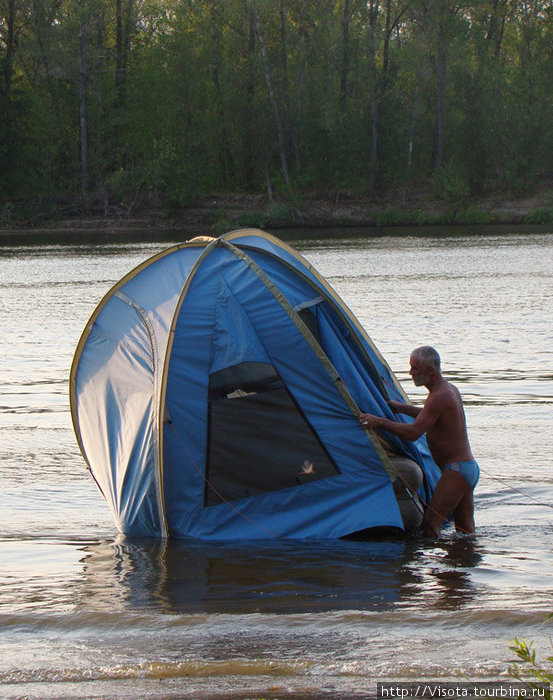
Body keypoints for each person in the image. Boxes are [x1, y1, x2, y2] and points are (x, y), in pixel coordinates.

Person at [359, 346, 479, 538]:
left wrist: (379, 421)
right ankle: (464, 566)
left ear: (430, 370)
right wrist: (401, 408)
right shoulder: (448, 389)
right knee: (466, 532)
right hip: (468, 469)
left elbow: (413, 432)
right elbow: (430, 416)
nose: (410, 373)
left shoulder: (438, 396)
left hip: (456, 471)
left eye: (415, 368)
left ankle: (438, 568)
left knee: (430, 526)